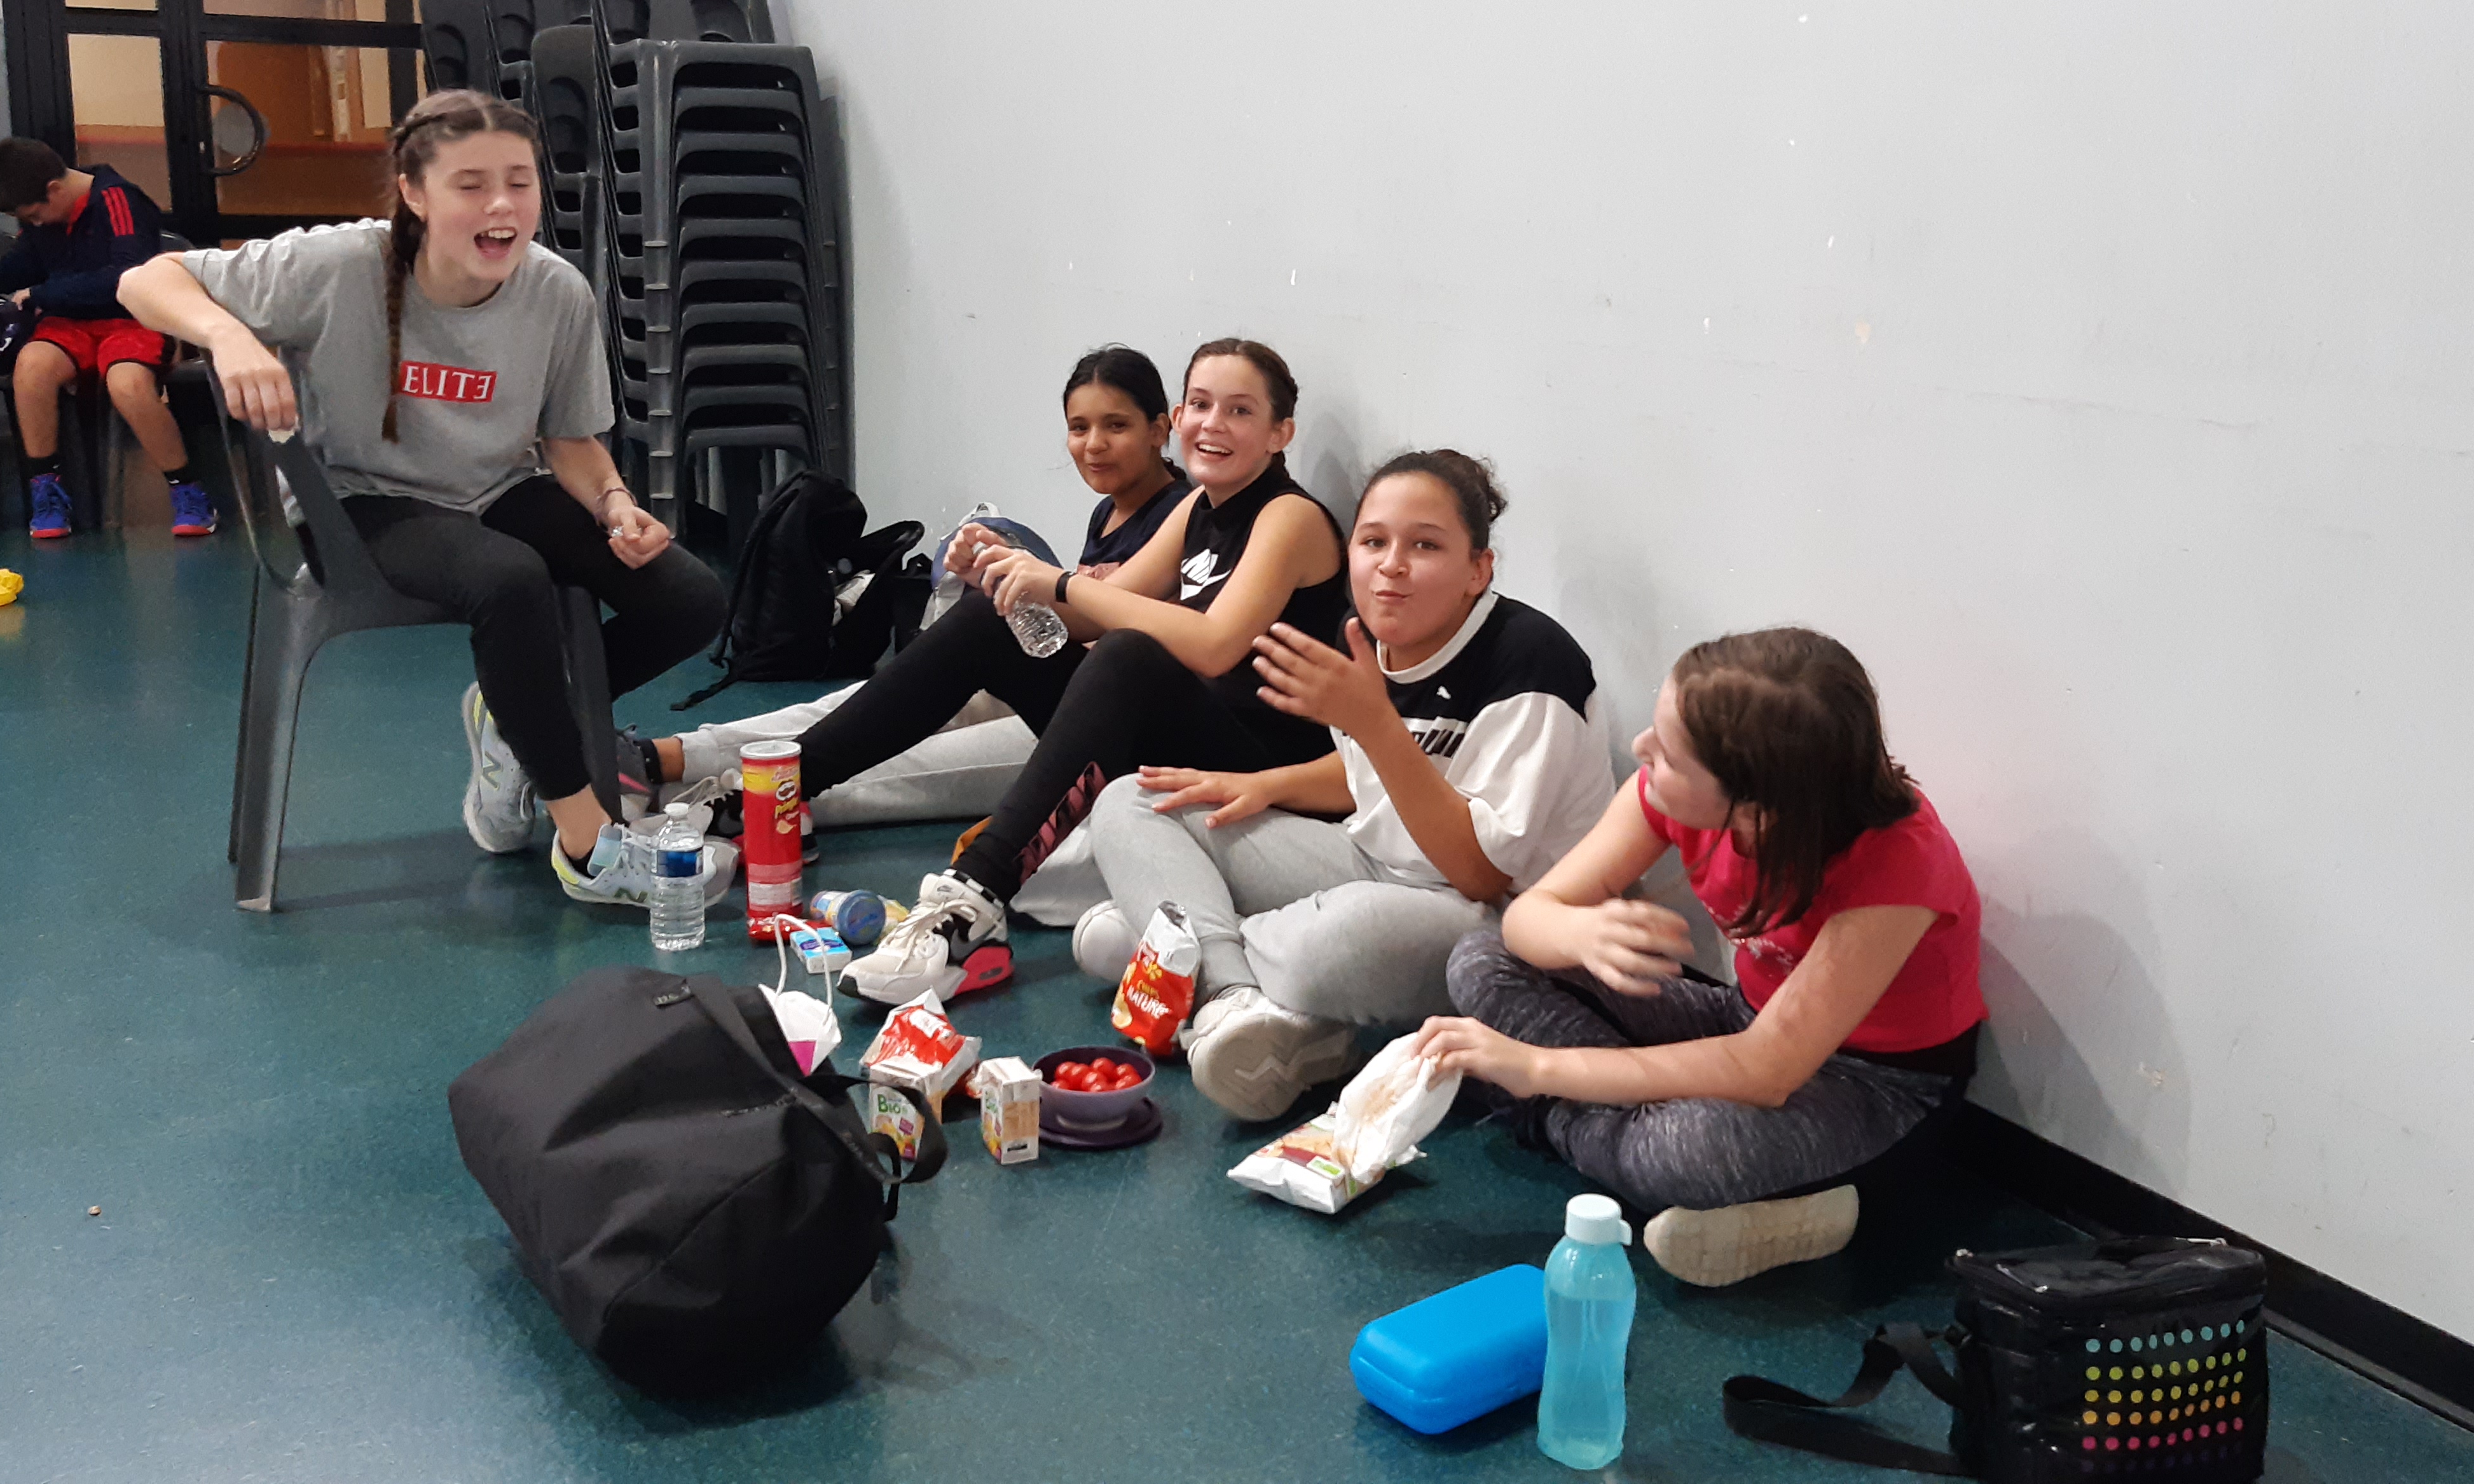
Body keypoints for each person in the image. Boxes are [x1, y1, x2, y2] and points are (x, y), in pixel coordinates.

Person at [116, 89, 732, 910]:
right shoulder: (339, 264)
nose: (502, 205)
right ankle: (588, 848)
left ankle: (515, 717)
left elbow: (568, 441)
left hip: (495, 487)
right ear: (414, 192)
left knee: (689, 597)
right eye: (471, 185)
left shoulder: (556, 292)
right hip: (357, 501)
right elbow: (144, 280)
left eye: (519, 182)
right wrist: (229, 335)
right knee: (509, 580)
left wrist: (615, 504)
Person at [1417, 628, 1984, 1288]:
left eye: (1668, 755)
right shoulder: (1672, 796)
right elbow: (1524, 921)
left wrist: (1538, 1068)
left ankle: (1555, 1115)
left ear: (1758, 807)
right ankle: (1624, 1138)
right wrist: (1575, 933)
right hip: (1746, 1018)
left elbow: (1767, 1071)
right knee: (1481, 959)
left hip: (1875, 1085)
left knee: (1678, 1156)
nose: (1641, 749)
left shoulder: (1899, 864)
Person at [1083, 451, 1614, 1120]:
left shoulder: (1531, 660)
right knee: (1134, 799)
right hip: (1372, 862)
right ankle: (1232, 997)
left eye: (1425, 545)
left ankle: (1192, 950)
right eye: (1373, 542)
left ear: (1478, 570)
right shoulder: (1367, 631)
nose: (1392, 565)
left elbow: (1480, 873)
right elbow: (1368, 771)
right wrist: (1263, 784)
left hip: (1495, 922)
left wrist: (1374, 722)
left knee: (1326, 945)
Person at [818, 338, 1350, 1005]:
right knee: (991, 619)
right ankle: (779, 790)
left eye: (1240, 411)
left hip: (1257, 772)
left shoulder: (1290, 515)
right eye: (1202, 405)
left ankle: (973, 905)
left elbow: (1215, 645)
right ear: (1180, 417)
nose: (1213, 424)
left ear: (1280, 434)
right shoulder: (1198, 507)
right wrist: (1006, 575)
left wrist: (1059, 583)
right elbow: (1094, 611)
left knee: (1129, 655)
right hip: (1182, 742)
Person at [633, 345, 1192, 837]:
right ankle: (665, 758)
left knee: (896, 767)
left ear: (1160, 430)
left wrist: (1033, 582)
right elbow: (1075, 618)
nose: (1094, 445)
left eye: (1116, 426)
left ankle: (690, 806)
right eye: (1079, 427)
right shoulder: (1111, 510)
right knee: (868, 707)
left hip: (1098, 722)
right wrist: (997, 572)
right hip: (1051, 679)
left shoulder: (1183, 517)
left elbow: (1123, 629)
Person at [0, 137, 213, 540]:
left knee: (128, 385)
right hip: (71, 323)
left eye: (34, 215)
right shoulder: (43, 217)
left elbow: (127, 277)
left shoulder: (121, 200)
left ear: (54, 190)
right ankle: (47, 491)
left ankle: (188, 490)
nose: (35, 225)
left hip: (133, 319)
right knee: (32, 368)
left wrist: (43, 295)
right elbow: (20, 265)